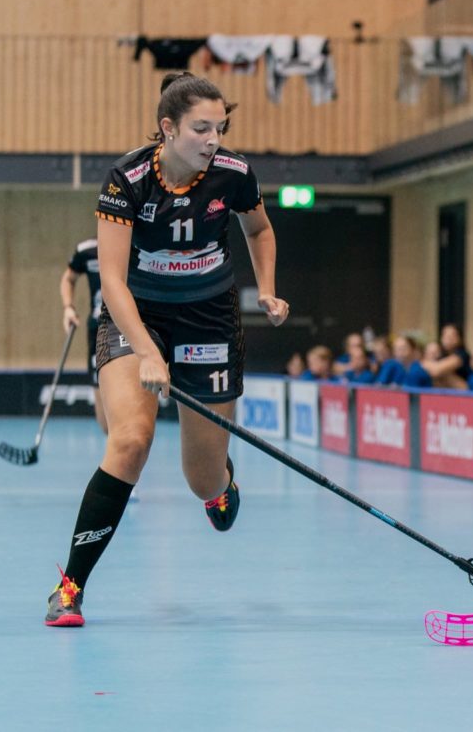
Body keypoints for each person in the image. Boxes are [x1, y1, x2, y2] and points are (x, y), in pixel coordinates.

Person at [44, 72, 289, 628]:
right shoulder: (126, 181)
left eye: (219, 128)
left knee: (201, 478)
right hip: (139, 314)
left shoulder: (233, 175)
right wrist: (148, 350)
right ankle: (70, 586)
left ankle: (222, 484)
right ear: (168, 128)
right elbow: (111, 278)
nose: (212, 139)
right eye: (201, 128)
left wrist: (268, 289)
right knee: (130, 439)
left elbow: (259, 231)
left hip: (208, 321)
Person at [61, 238, 108, 433]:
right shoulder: (86, 250)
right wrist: (68, 308)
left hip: (130, 329)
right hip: (98, 329)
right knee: (104, 420)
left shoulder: (137, 244)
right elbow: (68, 278)